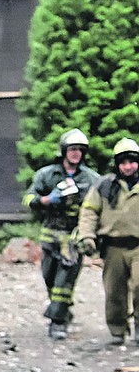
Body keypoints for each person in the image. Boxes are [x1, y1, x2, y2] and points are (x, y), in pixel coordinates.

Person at [23, 128, 99, 339]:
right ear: (64, 150)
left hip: (73, 237)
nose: (76, 154)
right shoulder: (46, 174)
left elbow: (100, 205)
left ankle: (57, 323)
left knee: (64, 282)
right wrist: (45, 200)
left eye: (80, 150)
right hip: (50, 237)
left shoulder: (92, 179)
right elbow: (28, 198)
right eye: (72, 149)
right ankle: (64, 309)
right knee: (49, 278)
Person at [77, 137, 139, 345]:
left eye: (132, 161)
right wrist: (87, 236)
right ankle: (117, 330)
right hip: (112, 246)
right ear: (117, 164)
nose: (128, 166)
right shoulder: (104, 185)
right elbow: (89, 211)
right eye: (123, 162)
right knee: (114, 291)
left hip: (138, 245)